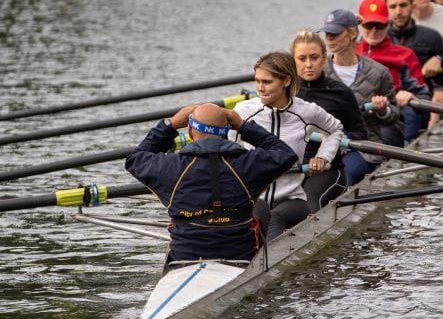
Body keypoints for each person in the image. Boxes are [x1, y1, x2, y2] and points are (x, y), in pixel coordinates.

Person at [125, 102, 297, 265]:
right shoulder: (248, 163)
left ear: (191, 132)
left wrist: (170, 125)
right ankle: (262, 259)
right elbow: (286, 154)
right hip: (239, 256)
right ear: (227, 131)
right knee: (261, 207)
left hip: (185, 256)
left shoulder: (170, 166)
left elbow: (134, 159)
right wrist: (244, 126)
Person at [233, 51, 344, 241]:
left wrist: (323, 156)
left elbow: (335, 129)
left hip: (291, 200)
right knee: (256, 216)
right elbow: (229, 150)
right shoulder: (242, 112)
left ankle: (266, 263)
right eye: (257, 81)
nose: (260, 88)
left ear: (286, 81)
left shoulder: (307, 111)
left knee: (277, 217)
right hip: (254, 197)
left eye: (267, 82)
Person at [320, 8, 404, 183]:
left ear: (352, 33)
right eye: (327, 34)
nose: (329, 39)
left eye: (335, 34)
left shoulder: (379, 72)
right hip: (323, 144)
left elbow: (395, 117)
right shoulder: (319, 71)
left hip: (363, 148)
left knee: (344, 177)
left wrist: (383, 111)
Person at [291, 30, 368, 203]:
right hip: (291, 168)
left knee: (309, 201)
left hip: (326, 168)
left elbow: (360, 134)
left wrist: (334, 138)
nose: (309, 64)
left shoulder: (340, 92)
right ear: (293, 61)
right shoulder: (285, 93)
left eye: (314, 57)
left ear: (324, 59)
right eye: (302, 59)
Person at [355, 0, 431, 141]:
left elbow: (424, 97)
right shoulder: (349, 53)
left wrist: (412, 96)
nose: (374, 31)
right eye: (369, 25)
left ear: (388, 24)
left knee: (411, 113)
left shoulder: (405, 55)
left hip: (392, 116)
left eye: (380, 25)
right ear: (359, 25)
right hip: (358, 115)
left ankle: (407, 148)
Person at [383, 0, 443, 127]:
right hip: (385, 104)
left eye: (403, 5)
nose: (398, 11)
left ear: (412, 6)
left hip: (420, 103)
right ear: (386, 10)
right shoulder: (377, 38)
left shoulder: (431, 37)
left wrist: (440, 64)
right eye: (393, 7)